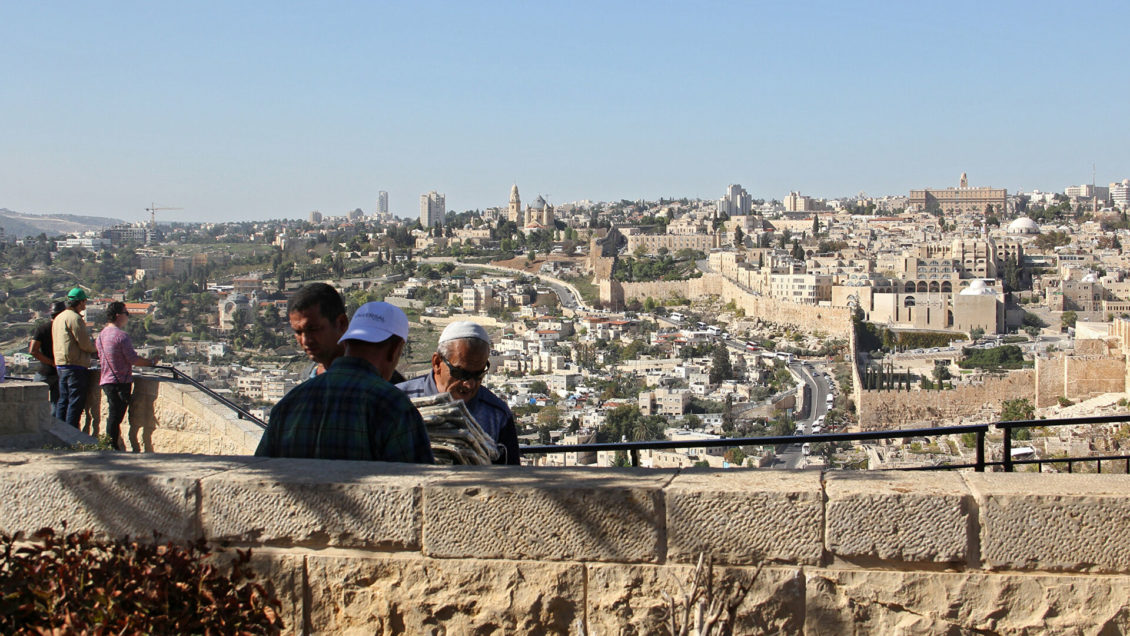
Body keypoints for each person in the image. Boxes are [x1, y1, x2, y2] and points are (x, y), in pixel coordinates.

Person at [256, 302, 433, 463]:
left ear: (346, 342)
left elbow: (261, 472)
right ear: (395, 349)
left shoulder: (290, 402)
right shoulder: (393, 406)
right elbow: (420, 484)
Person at [398, 321, 521, 465]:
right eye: (461, 373)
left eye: (479, 374)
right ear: (437, 363)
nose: (469, 384)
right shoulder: (398, 400)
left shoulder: (497, 415)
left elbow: (510, 475)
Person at [95, 302, 159, 450]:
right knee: (115, 416)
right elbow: (133, 359)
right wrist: (151, 362)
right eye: (126, 314)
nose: (128, 317)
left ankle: (111, 444)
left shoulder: (101, 335)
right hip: (120, 381)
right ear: (118, 316)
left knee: (113, 414)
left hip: (106, 379)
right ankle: (111, 446)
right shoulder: (121, 336)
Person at [52, 287, 98, 428]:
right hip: (75, 365)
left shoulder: (59, 318)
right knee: (75, 402)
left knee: (63, 401)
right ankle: (71, 435)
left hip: (61, 364)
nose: (85, 306)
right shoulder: (75, 318)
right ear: (80, 302)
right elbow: (84, 343)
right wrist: (95, 350)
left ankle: (60, 433)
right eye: (84, 302)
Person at [287, 283, 349, 379]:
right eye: (298, 332)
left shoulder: (368, 380)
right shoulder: (307, 379)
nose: (305, 341)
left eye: (313, 329)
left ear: (341, 323)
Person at [30, 301, 66, 410]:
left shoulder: (42, 329)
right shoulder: (65, 330)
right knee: (57, 407)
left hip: (45, 371)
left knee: (33, 403)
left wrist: (50, 362)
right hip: (60, 371)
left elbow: (33, 351)